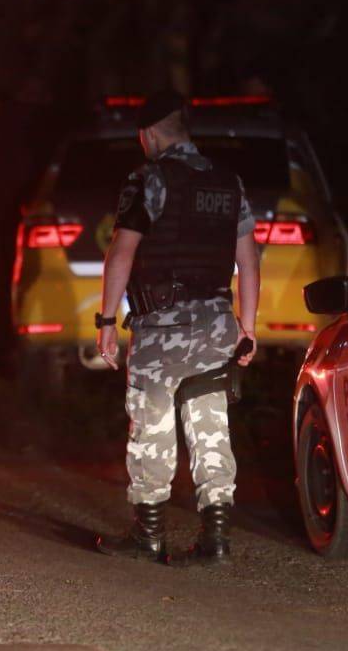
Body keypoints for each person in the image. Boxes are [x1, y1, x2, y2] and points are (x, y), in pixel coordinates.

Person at [95, 90, 259, 566]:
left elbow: (122, 252)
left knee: (152, 423)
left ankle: (149, 535)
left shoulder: (150, 178)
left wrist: (107, 321)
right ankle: (217, 538)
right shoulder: (228, 182)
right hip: (216, 322)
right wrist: (247, 328)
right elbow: (249, 261)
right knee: (210, 425)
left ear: (149, 135)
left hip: (162, 325)